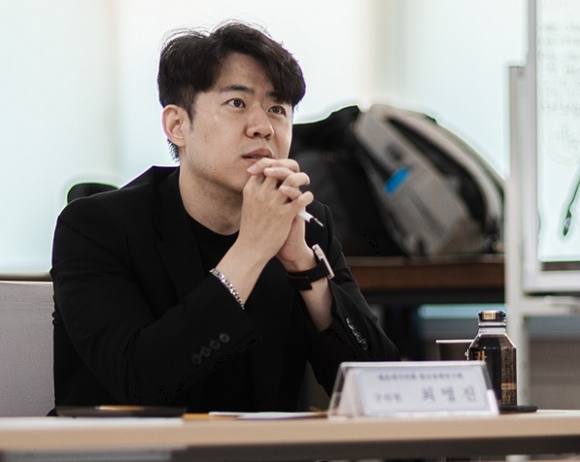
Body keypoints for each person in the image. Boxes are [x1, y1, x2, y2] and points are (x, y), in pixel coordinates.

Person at [50, 21, 399, 414]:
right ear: (177, 125)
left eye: (277, 109)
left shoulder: (305, 225)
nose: (263, 127)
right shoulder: (96, 228)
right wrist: (252, 249)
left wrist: (305, 268)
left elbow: (381, 392)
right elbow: (141, 383)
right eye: (237, 103)